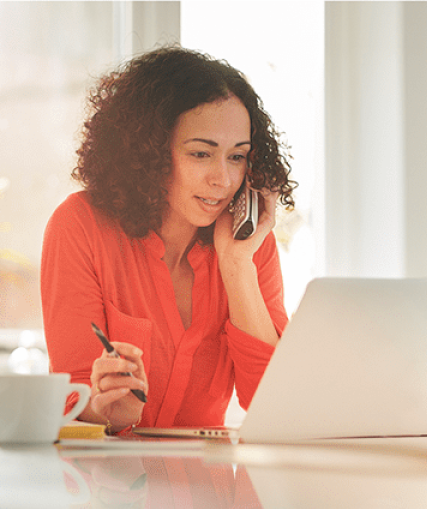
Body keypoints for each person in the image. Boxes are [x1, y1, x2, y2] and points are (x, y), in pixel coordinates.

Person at [40, 46, 296, 434]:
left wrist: (236, 265)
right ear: (149, 152)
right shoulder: (80, 227)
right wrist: (109, 407)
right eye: (200, 154)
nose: (223, 180)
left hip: (209, 485)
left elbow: (276, 405)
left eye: (237, 157)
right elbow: (74, 392)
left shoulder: (250, 247)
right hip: (109, 483)